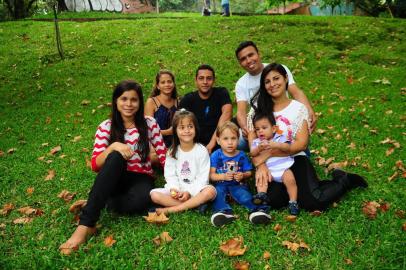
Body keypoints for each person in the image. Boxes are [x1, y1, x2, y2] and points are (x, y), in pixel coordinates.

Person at [59, 80, 166, 255]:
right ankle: (85, 225)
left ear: (140, 102)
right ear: (116, 101)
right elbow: (95, 165)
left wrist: (176, 183)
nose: (129, 104)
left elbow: (162, 154)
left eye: (134, 100)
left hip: (140, 177)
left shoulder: (149, 123)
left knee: (141, 202)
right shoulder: (106, 127)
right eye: (124, 99)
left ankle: (98, 200)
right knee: (115, 157)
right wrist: (113, 146)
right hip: (114, 176)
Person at [251, 63, 368, 211]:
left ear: (286, 78)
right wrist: (260, 164)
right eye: (267, 81)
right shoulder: (259, 106)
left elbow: (301, 145)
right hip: (270, 163)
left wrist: (270, 153)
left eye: (276, 78)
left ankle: (344, 179)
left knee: (313, 202)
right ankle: (299, 191)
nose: (272, 84)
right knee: (274, 201)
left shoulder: (298, 108)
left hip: (295, 157)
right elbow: (251, 134)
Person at [234, 40, 317, 150]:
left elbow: (296, 92)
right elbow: (241, 112)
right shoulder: (241, 83)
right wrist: (247, 129)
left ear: (258, 54)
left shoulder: (277, 69)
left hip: (282, 120)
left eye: (251, 55)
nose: (248, 60)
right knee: (234, 140)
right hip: (260, 126)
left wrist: (309, 111)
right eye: (243, 59)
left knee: (296, 138)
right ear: (240, 63)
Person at [151, 109, 216, 214]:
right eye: (182, 127)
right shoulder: (172, 152)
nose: (187, 131)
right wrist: (175, 189)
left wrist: (189, 193)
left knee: (210, 191)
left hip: (196, 190)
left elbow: (202, 178)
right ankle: (195, 205)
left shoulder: (201, 150)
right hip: (178, 192)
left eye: (190, 126)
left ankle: (171, 210)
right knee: (154, 194)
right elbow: (170, 175)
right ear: (175, 131)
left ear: (195, 128)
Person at [210, 121, 271, 227]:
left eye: (233, 138)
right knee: (218, 194)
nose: (230, 142)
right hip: (221, 184)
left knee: (245, 196)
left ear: (238, 140)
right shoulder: (216, 155)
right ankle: (224, 213)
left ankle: (258, 211)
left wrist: (243, 175)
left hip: (238, 184)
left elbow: (249, 172)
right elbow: (211, 175)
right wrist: (223, 176)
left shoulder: (241, 155)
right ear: (218, 141)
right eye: (225, 139)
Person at [250, 112, 299, 215]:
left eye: (264, 128)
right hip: (268, 171)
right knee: (262, 180)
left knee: (290, 179)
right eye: (257, 129)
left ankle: (293, 201)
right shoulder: (257, 142)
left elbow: (287, 148)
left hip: (283, 168)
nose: (260, 131)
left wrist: (277, 145)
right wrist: (259, 148)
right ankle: (261, 196)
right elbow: (252, 154)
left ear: (273, 129)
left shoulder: (279, 137)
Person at [179, 64, 232, 154]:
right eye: (201, 78)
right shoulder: (187, 99)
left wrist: (212, 143)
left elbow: (227, 114)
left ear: (214, 80)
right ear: (196, 80)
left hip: (220, 141)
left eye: (209, 78)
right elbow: (182, 126)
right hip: (194, 144)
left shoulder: (221, 93)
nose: (205, 82)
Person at [145, 70, 178, 148]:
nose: (167, 84)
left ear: (173, 84)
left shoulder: (178, 102)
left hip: (175, 145)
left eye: (169, 81)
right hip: (156, 147)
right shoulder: (151, 102)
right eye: (163, 82)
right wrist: (167, 132)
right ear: (158, 86)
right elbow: (147, 130)